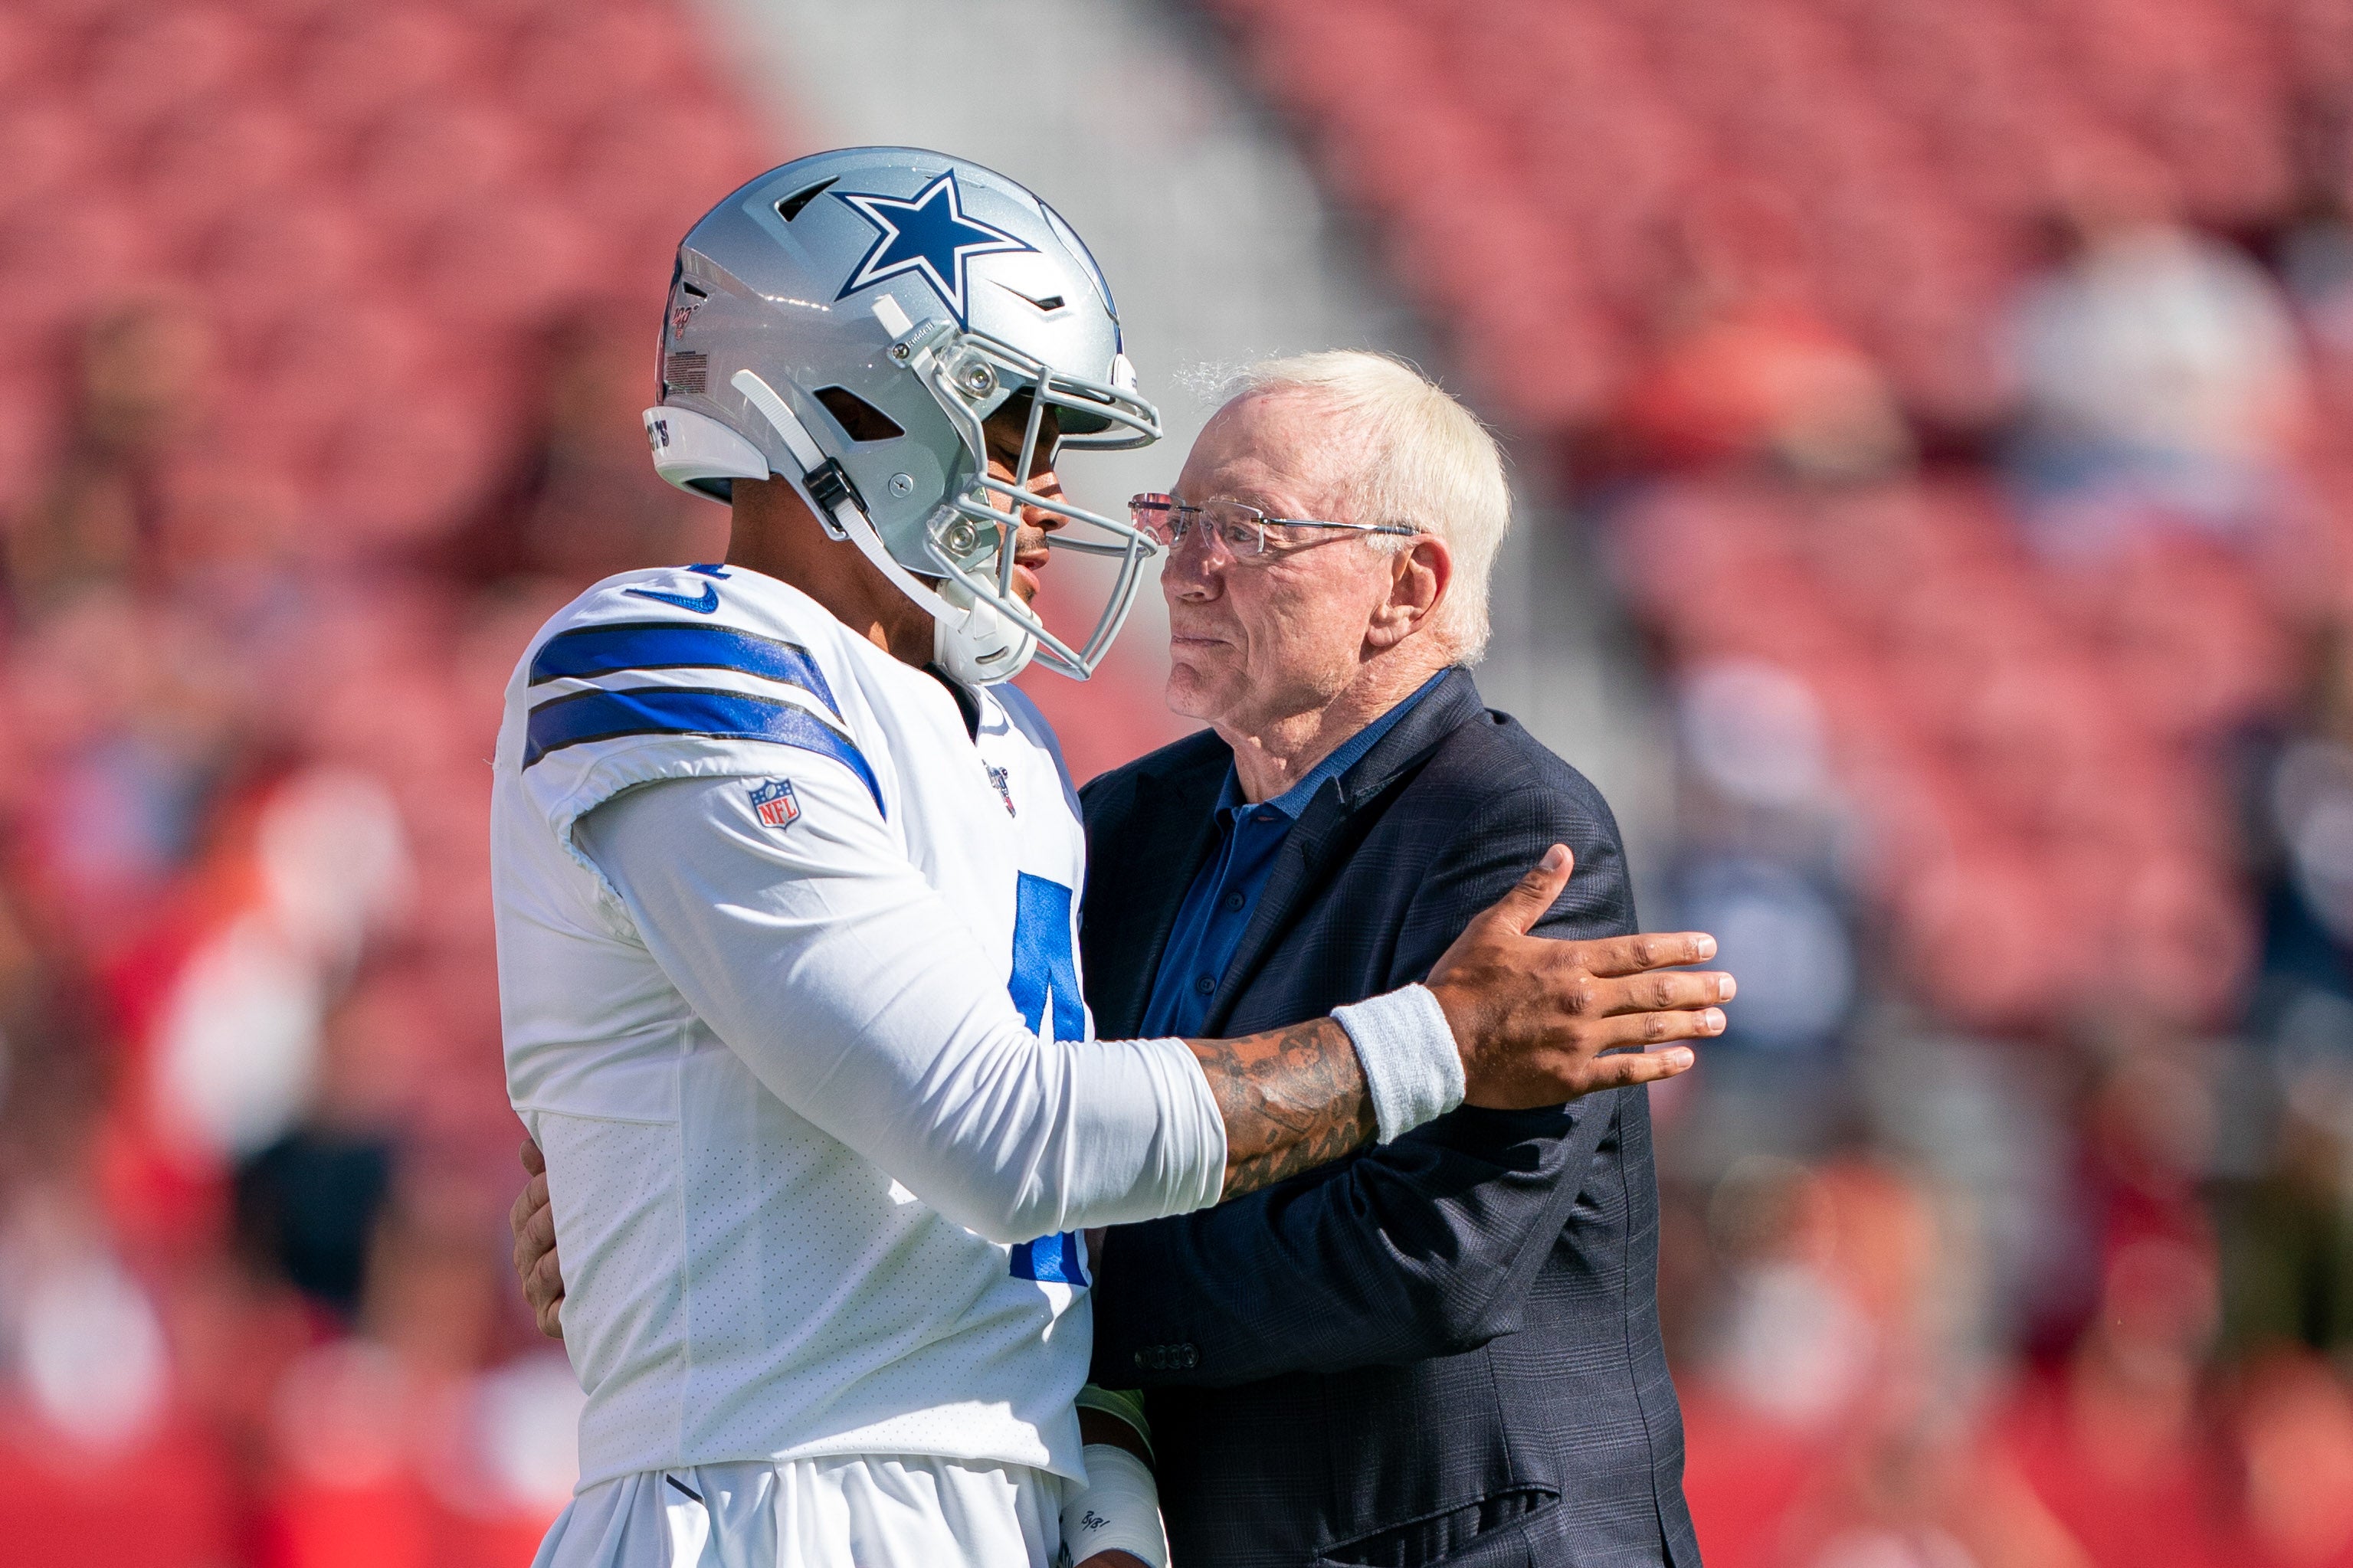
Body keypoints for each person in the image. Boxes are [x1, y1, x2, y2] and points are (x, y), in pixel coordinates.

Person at [494, 148, 1729, 1568]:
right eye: (1019, 430)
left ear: (1411, 586)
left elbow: (1115, 1213)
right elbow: (1008, 1136)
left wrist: (1109, 1504)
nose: (1060, 497)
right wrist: (1437, 1041)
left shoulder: (1022, 754)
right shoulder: (674, 647)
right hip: (776, 1492)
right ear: (860, 403)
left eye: (1246, 532)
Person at [1076, 351, 1704, 1566]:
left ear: (1406, 586)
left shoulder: (1517, 832)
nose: (1185, 566)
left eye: (1246, 528)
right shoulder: (1120, 826)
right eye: (1179, 517)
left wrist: (1078, 1303)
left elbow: (1429, 1256)